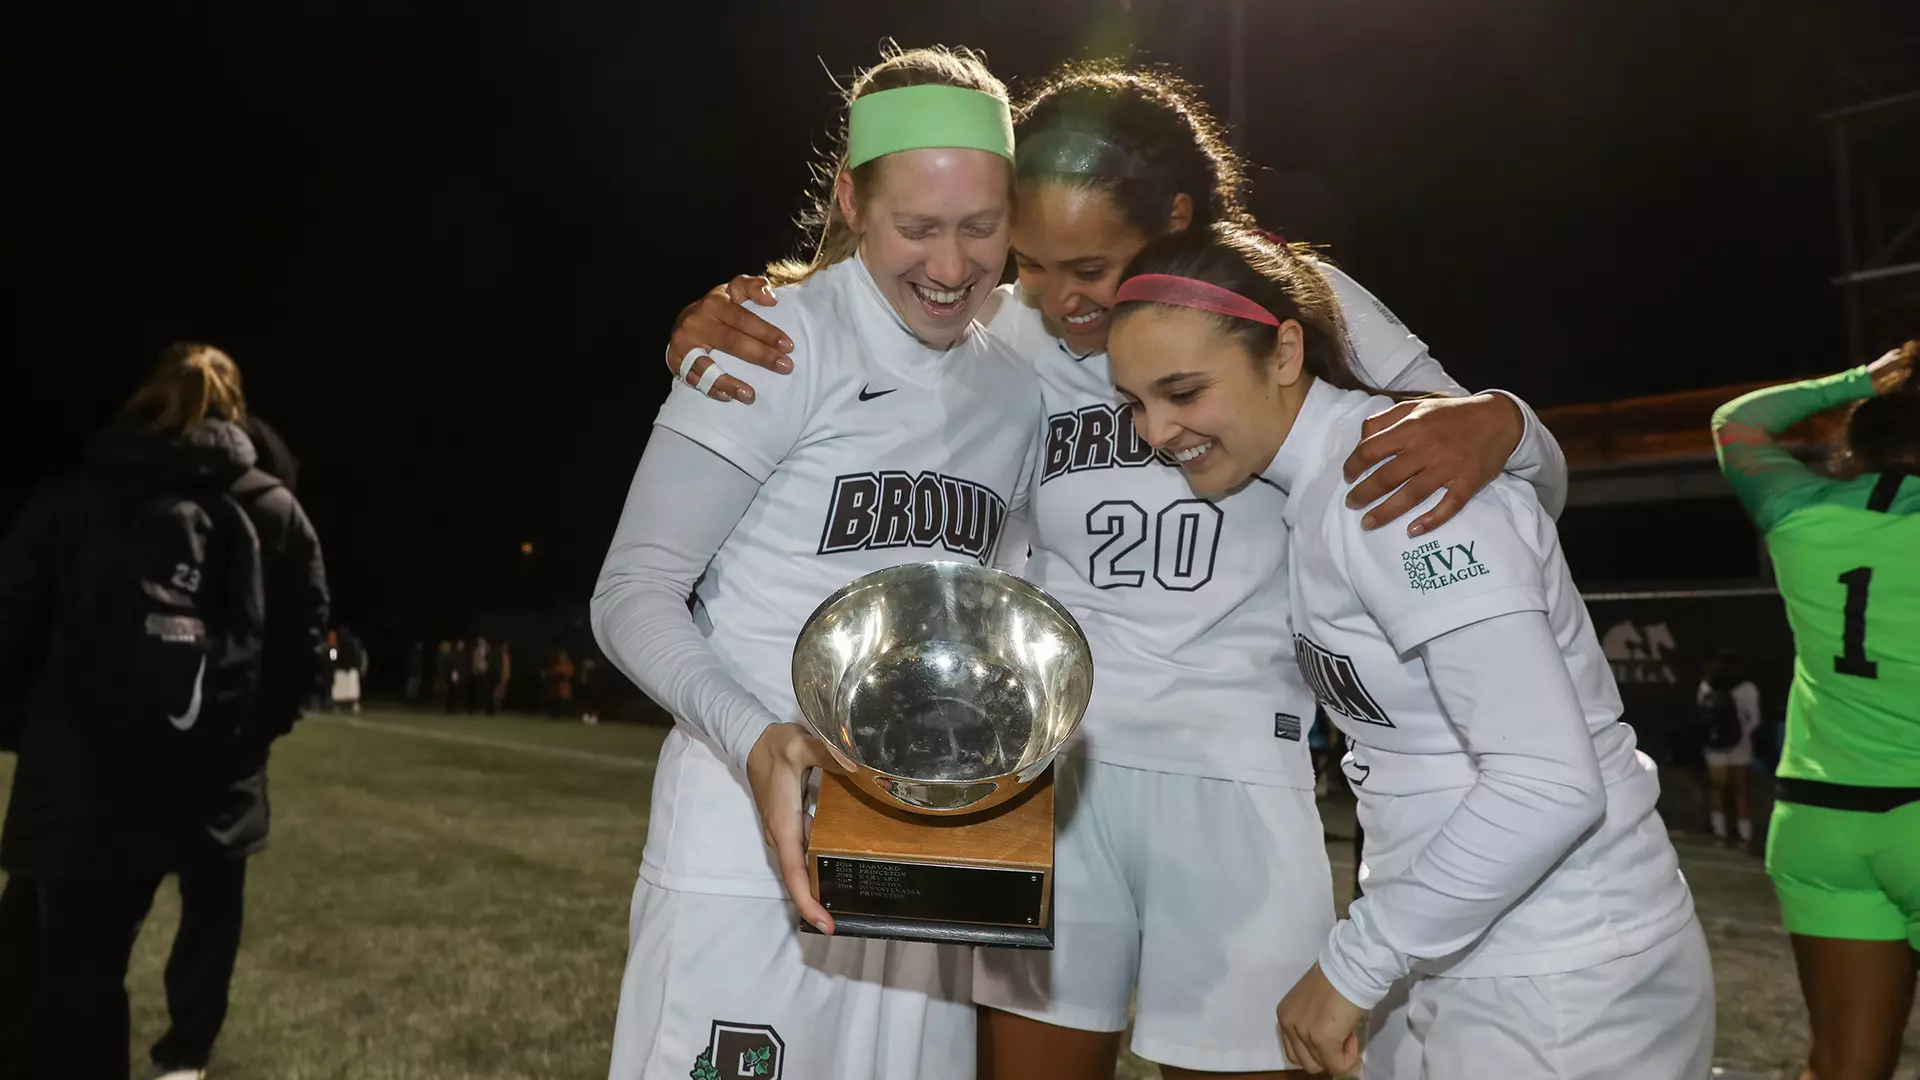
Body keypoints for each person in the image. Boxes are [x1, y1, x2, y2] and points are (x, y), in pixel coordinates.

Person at [664, 62, 1568, 1080]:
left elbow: (1495, 465)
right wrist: (744, 313)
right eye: (1033, 263)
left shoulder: (1285, 303)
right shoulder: (1006, 330)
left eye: (1087, 265)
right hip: (1057, 786)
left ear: (1174, 215)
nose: (1058, 298)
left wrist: (1508, 421)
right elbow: (859, 322)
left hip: (1238, 774)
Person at [1103, 226, 1712, 1078]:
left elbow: (1548, 781)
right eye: (1134, 400)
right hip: (1478, 955)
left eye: (1183, 391)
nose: (1156, 429)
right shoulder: (1327, 480)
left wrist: (1355, 964)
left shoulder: (1385, 484)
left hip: (1563, 973)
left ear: (1283, 352)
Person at [592, 45, 1041, 1080]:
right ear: (849, 198)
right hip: (743, 852)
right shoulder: (774, 343)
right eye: (916, 228)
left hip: (925, 866)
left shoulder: (1014, 386)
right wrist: (756, 738)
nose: (951, 266)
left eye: (982, 227)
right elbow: (631, 595)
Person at [0, 342, 328, 1080]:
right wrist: (245, 735)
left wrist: (36, 731)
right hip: (214, 771)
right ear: (238, 406)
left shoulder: (78, 491)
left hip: (84, 773)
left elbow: (10, 618)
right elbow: (303, 647)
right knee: (207, 916)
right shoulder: (274, 508)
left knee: (72, 975)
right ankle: (184, 1058)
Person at [1712, 340, 1920, 1080]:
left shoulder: (1800, 514)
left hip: (1819, 822)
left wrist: (1865, 376)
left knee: (1841, 1067)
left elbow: (1737, 421)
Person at [1695, 649, 1763, 848]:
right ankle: (1745, 835)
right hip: (1741, 745)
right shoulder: (1748, 688)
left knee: (1717, 788)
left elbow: (1703, 715)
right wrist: (1743, 735)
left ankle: (1720, 833)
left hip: (1714, 747)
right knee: (1741, 791)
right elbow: (1755, 720)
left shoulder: (1706, 687)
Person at [468, 636, 492, 714]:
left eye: (482, 642)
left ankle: (486, 708)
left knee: (486, 690)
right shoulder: (476, 651)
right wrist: (474, 669)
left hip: (485, 672)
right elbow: (474, 661)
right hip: (478, 672)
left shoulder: (487, 650)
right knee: (476, 690)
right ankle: (475, 708)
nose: (481, 643)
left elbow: (489, 651)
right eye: (480, 642)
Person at [493, 642, 512, 715]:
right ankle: (497, 710)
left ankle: (500, 709)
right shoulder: (500, 656)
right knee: (497, 693)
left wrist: (507, 676)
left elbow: (507, 667)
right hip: (500, 677)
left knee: (502, 694)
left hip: (505, 677)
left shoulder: (507, 656)